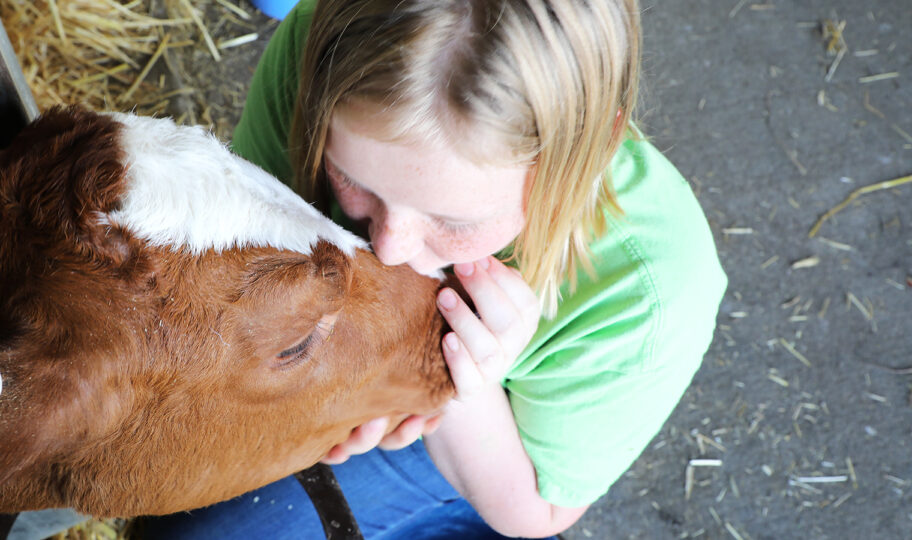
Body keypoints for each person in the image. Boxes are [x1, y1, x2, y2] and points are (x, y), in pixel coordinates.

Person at [136, 0, 727, 538]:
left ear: (592, 148)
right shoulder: (315, 46)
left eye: (456, 221)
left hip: (484, 438)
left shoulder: (647, 289)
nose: (391, 245)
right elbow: (243, 252)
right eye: (353, 181)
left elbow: (535, 512)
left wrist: (457, 385)